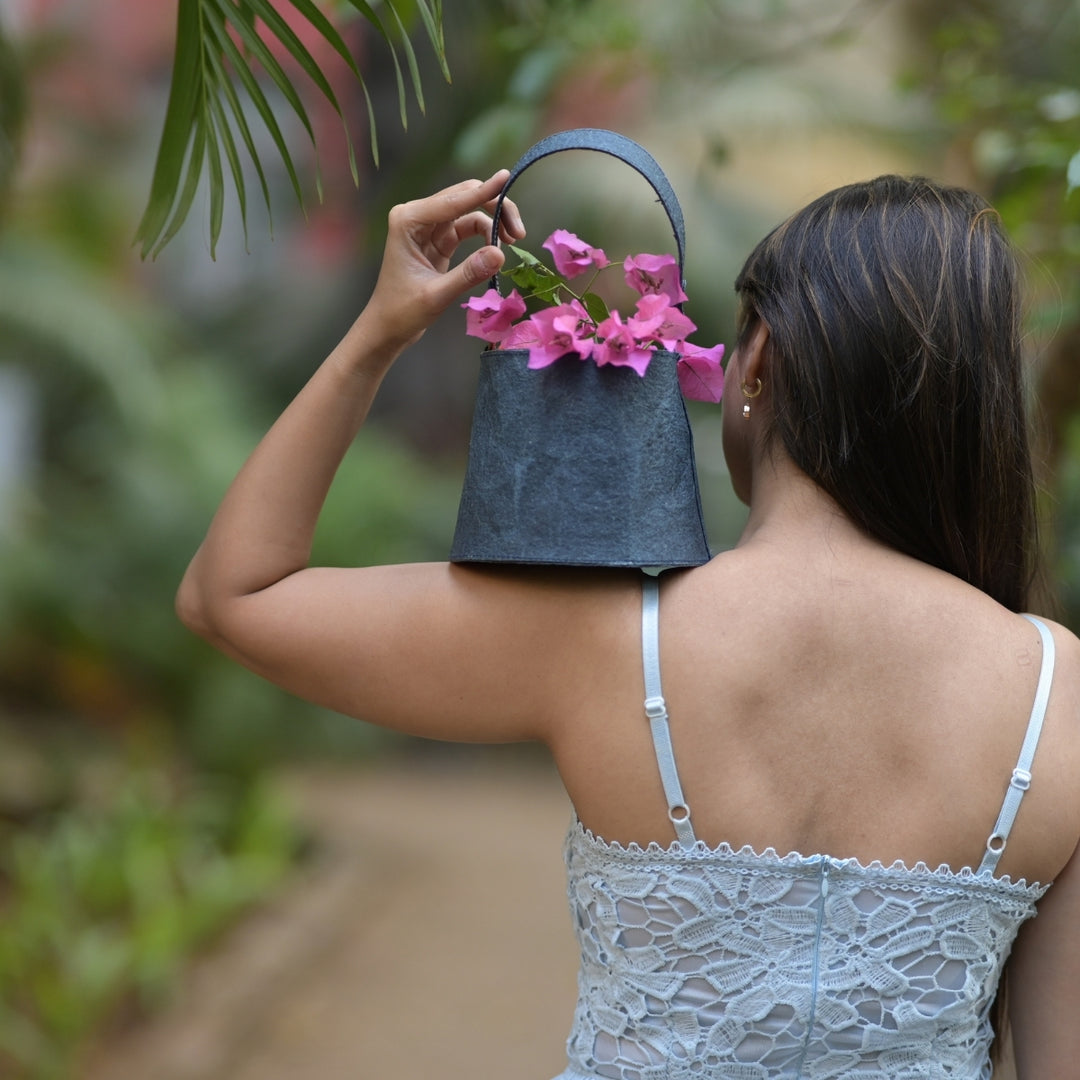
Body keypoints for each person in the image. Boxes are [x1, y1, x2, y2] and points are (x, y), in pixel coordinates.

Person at [177, 169, 1080, 1079]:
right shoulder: (1058, 692)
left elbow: (234, 596)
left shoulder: (607, 635)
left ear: (758, 362)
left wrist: (378, 335)